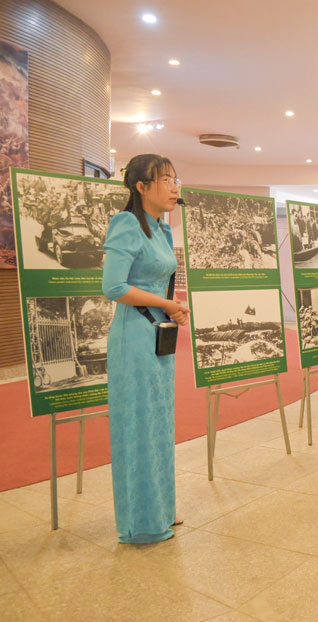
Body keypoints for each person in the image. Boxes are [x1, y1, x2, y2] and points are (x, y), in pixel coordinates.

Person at [101, 153, 188, 543]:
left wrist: (172, 306)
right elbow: (114, 287)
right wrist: (167, 305)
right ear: (141, 187)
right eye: (165, 179)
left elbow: (158, 282)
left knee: (158, 423)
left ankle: (161, 511)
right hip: (134, 338)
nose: (174, 187)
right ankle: (140, 524)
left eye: (176, 179)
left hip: (158, 338)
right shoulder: (126, 224)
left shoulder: (163, 228)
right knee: (137, 426)